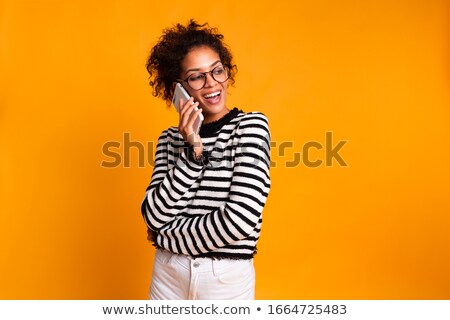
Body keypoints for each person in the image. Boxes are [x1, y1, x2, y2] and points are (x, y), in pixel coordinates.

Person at [140, 19, 271, 300]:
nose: (212, 83)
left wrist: (166, 238)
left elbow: (239, 220)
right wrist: (193, 152)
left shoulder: (250, 127)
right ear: (179, 87)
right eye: (197, 76)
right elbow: (153, 215)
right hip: (167, 275)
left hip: (223, 280)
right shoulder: (169, 140)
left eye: (217, 71)